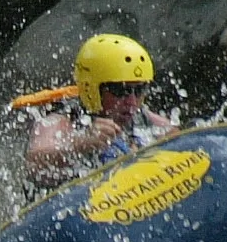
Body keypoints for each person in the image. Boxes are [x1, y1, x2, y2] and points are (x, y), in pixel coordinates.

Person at [21, 32, 180, 187]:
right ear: (93, 90)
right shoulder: (63, 119)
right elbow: (34, 162)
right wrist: (82, 143)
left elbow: (181, 141)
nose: (131, 101)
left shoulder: (144, 119)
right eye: (120, 90)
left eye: (139, 89)